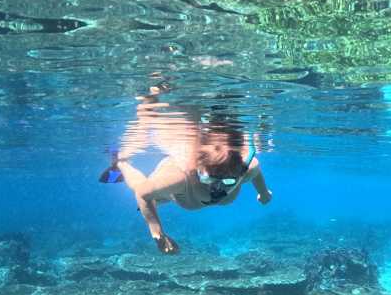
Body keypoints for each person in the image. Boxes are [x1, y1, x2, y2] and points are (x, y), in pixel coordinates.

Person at [100, 83, 272, 254]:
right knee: (149, 192)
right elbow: (142, 194)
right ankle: (121, 163)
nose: (217, 188)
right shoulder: (180, 177)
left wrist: (264, 192)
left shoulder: (245, 170)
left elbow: (256, 172)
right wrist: (158, 233)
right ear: (199, 169)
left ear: (238, 172)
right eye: (209, 179)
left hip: (186, 197)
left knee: (160, 198)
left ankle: (158, 200)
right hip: (179, 187)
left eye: (228, 180)